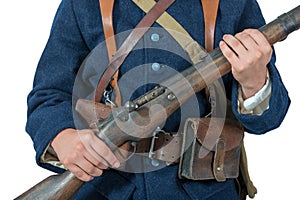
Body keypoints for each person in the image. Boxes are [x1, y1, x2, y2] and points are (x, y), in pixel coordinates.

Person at [26, 0, 290, 199]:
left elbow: (269, 118)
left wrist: (254, 81)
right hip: (106, 189)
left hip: (206, 190)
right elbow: (48, 95)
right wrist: (63, 138)